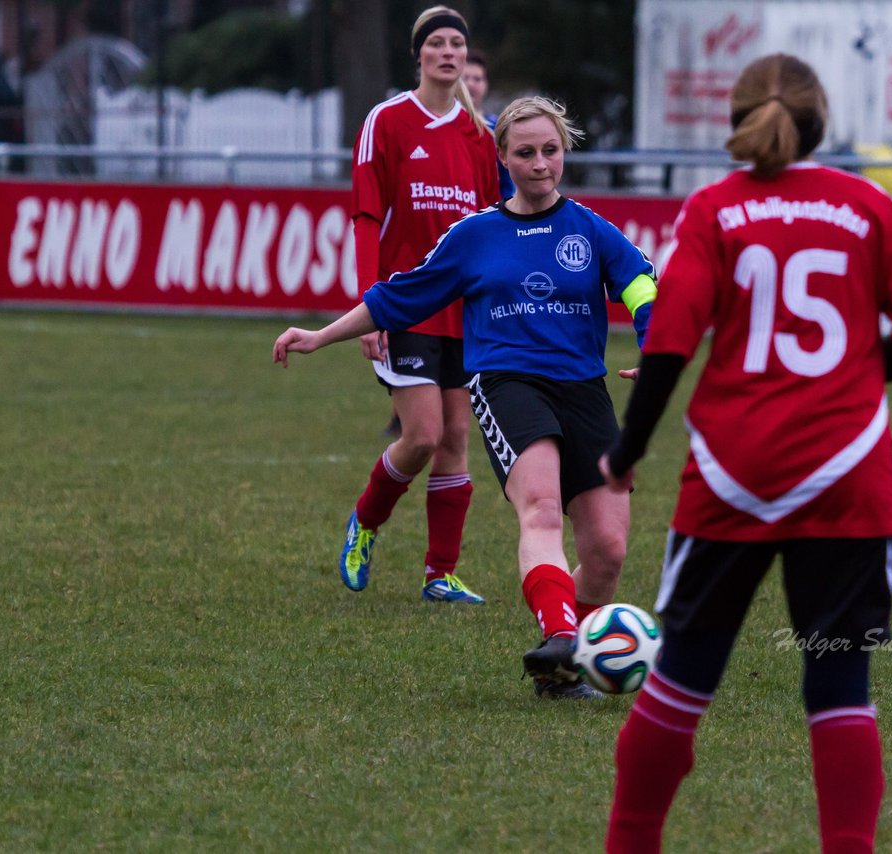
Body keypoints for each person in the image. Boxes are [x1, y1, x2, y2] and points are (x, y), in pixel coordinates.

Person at [599, 54, 892, 852]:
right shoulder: (868, 207)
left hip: (733, 475)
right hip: (846, 476)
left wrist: (626, 451)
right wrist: (862, 375)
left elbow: (671, 344)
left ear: (739, 119)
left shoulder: (714, 210)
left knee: (681, 680)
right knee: (839, 687)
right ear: (820, 121)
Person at [274, 96, 658, 699]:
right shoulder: (474, 235)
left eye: (550, 151)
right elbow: (396, 298)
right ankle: (559, 633)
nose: (539, 164)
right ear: (503, 157)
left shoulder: (589, 228)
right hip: (506, 383)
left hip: (584, 388)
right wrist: (321, 336)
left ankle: (561, 670)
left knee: (608, 549)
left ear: (565, 154)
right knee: (541, 511)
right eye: (525, 153)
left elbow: (640, 284)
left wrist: (653, 344)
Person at [341, 5, 500, 605]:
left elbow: (491, 226)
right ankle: (365, 522)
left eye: (457, 43)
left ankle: (441, 573)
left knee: (457, 436)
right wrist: (370, 305)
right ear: (419, 54)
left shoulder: (481, 137)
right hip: (405, 305)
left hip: (466, 310)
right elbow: (366, 217)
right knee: (424, 435)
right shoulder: (386, 121)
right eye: (436, 42)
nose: (448, 51)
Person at [463, 50, 515, 200]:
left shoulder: (497, 128)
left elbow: (508, 181)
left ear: (486, 84)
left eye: (477, 79)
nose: (471, 84)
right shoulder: (442, 127)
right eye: (465, 78)